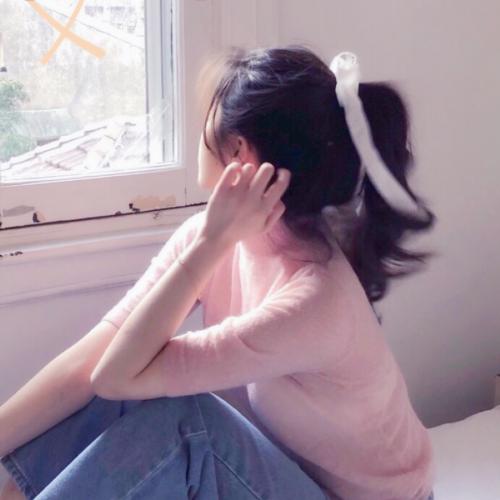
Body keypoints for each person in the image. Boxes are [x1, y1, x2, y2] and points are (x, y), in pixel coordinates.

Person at [0, 44, 437, 499]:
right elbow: (92, 365)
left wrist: (211, 244)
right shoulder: (211, 240)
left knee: (187, 423)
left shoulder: (313, 299)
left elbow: (115, 375)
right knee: (128, 382)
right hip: (286, 474)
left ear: (240, 152)